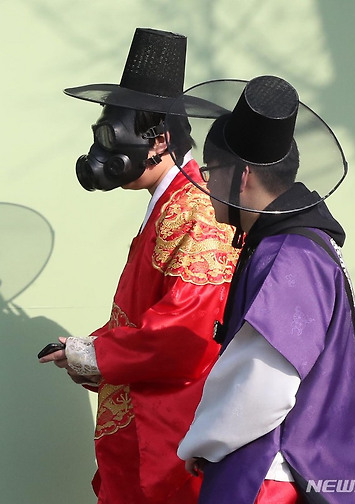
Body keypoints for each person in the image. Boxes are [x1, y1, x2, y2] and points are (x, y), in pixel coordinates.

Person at [39, 28, 239, 504]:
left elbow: (185, 334)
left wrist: (96, 355)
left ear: (159, 141)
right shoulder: (168, 205)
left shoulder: (196, 213)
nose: (103, 152)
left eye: (114, 136)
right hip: (147, 433)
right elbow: (142, 317)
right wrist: (88, 350)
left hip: (175, 441)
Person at [173, 75, 355, 503]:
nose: (207, 185)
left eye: (211, 171)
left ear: (243, 175)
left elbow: (265, 385)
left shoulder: (290, 254)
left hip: (279, 476)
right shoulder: (301, 245)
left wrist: (204, 441)